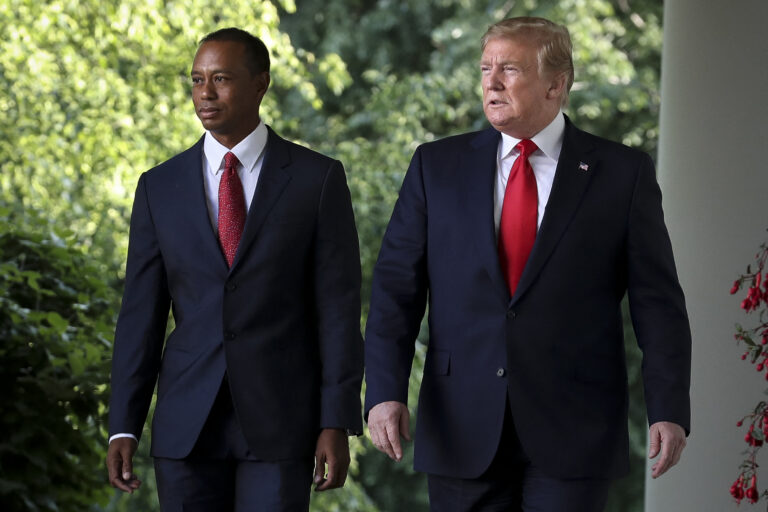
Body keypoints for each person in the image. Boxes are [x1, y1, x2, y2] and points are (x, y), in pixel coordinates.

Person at [364, 16, 691, 512]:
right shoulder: (436, 166)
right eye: (485, 69)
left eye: (510, 69)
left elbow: (658, 304)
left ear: (557, 84)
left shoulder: (621, 174)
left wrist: (668, 408)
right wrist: (384, 392)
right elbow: (395, 291)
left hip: (574, 425)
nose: (491, 82)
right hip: (461, 422)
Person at [105, 27, 363, 510]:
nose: (205, 93)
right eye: (197, 79)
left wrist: (337, 420)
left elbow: (339, 311)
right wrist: (124, 422)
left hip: (282, 422)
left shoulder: (318, 179)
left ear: (260, 83)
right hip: (186, 426)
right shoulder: (158, 187)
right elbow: (140, 316)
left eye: (221, 78)